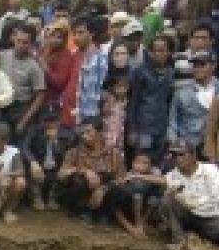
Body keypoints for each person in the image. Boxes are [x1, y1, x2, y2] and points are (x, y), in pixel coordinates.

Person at [59, 117, 126, 227]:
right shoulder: (74, 152)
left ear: (100, 133)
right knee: (78, 180)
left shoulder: (114, 153)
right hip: (83, 196)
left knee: (120, 189)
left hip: (104, 194)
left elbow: (122, 178)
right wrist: (84, 171)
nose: (84, 135)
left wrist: (103, 189)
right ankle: (84, 212)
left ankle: (105, 215)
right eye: (83, 132)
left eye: (89, 131)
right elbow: (61, 175)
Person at [161, 140, 219, 250]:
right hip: (190, 218)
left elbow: (216, 196)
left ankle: (202, 239)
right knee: (167, 199)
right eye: (174, 155)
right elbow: (163, 181)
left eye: (181, 154)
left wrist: (192, 202)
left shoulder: (210, 170)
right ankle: (179, 240)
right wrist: (136, 175)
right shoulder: (174, 173)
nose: (177, 158)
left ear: (193, 156)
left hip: (212, 219)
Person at [129, 36, 175, 164]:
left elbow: (169, 101)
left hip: (162, 127)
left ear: (169, 52)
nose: (157, 54)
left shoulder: (171, 73)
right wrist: (132, 130)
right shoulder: (140, 72)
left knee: (159, 164)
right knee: (142, 162)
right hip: (144, 127)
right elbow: (133, 101)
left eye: (162, 50)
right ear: (149, 52)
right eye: (154, 51)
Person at [22, 109, 70, 211]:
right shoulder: (34, 130)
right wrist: (33, 162)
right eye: (47, 120)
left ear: (59, 120)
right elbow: (24, 147)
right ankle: (36, 197)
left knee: (65, 172)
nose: (50, 124)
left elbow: (68, 154)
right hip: (39, 166)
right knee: (28, 166)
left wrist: (55, 141)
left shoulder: (67, 133)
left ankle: (53, 197)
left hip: (57, 167)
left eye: (53, 120)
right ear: (42, 120)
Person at [168, 51, 216, 150]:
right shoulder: (181, 92)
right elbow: (172, 120)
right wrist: (174, 142)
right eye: (195, 66)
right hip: (189, 147)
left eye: (202, 65)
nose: (198, 69)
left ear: (213, 66)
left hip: (215, 147)